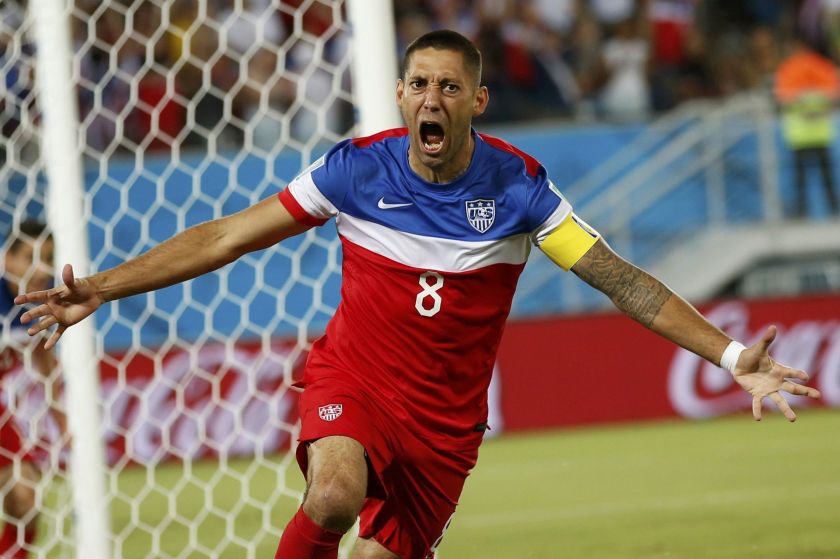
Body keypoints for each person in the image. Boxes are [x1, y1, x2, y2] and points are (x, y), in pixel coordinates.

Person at [15, 30, 820, 559]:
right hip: (356, 380)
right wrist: (104, 288)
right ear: (401, 95)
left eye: (449, 87)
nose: (431, 98)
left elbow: (623, 280)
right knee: (334, 492)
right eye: (419, 84)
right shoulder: (354, 170)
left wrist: (732, 355)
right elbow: (228, 235)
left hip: (443, 426)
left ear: (477, 101)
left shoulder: (520, 189)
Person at [1, 220, 65, 558]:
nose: (42, 269)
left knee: (25, 502)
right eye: (31, 257)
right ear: (7, 259)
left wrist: (64, 425)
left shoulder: (36, 305)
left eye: (49, 258)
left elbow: (45, 363)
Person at [774, 36, 840, 217]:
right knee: (825, 175)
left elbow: (781, 98)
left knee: (801, 177)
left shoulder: (788, 69)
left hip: (800, 134)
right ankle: (833, 209)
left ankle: (802, 211)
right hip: (819, 132)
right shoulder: (822, 67)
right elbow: (834, 94)